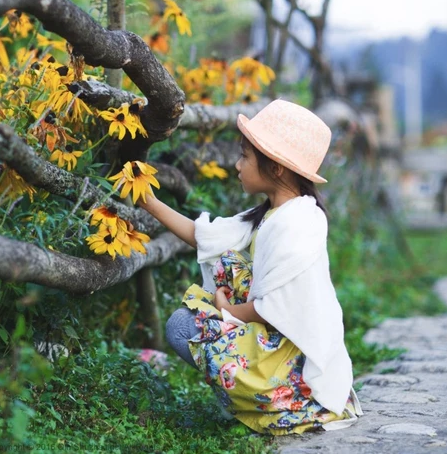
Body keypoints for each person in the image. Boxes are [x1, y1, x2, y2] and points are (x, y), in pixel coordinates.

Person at [138, 99, 362, 435]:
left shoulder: (296, 224)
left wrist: (227, 308)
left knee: (181, 328)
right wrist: (149, 201)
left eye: (245, 156)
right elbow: (206, 237)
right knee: (220, 274)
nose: (238, 166)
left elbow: (277, 307)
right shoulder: (272, 214)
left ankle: (268, 405)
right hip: (269, 340)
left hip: (286, 358)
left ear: (276, 168)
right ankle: (252, 402)